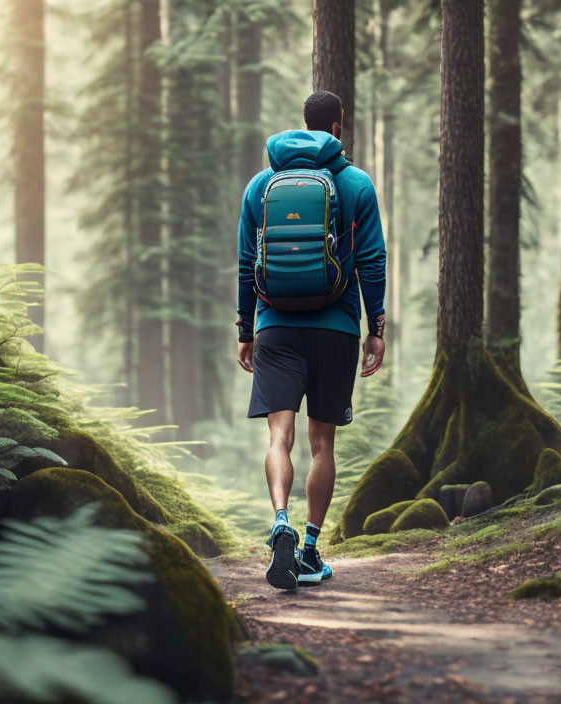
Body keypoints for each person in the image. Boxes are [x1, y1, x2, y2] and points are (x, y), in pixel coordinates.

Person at [236, 90, 387, 590]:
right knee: (323, 443)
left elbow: (244, 263)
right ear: (338, 128)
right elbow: (371, 260)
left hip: (275, 325)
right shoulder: (355, 183)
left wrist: (245, 329)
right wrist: (376, 328)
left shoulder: (261, 186)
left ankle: (278, 520)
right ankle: (308, 548)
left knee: (280, 436)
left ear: (304, 123)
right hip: (336, 328)